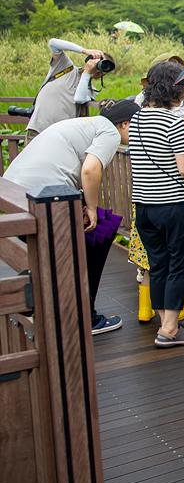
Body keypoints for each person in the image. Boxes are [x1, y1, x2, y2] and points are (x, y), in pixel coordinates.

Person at [3, 99, 140, 334]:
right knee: (99, 232)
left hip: (15, 193)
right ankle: (85, 317)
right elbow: (90, 169)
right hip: (42, 197)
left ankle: (50, 299)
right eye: (139, 128)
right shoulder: (109, 132)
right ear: (125, 124)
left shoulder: (88, 124)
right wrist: (91, 209)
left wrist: (87, 205)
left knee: (92, 232)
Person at [129, 61, 184, 348]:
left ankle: (168, 322)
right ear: (175, 89)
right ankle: (168, 330)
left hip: (144, 208)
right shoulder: (173, 123)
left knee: (158, 263)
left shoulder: (137, 119)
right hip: (172, 205)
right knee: (181, 263)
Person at [26, 38, 113, 140]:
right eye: (100, 62)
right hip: (38, 130)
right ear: (90, 59)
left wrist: (87, 73)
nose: (100, 68)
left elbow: (79, 98)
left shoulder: (91, 90)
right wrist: (85, 51)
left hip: (60, 137)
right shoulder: (65, 67)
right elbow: (53, 43)